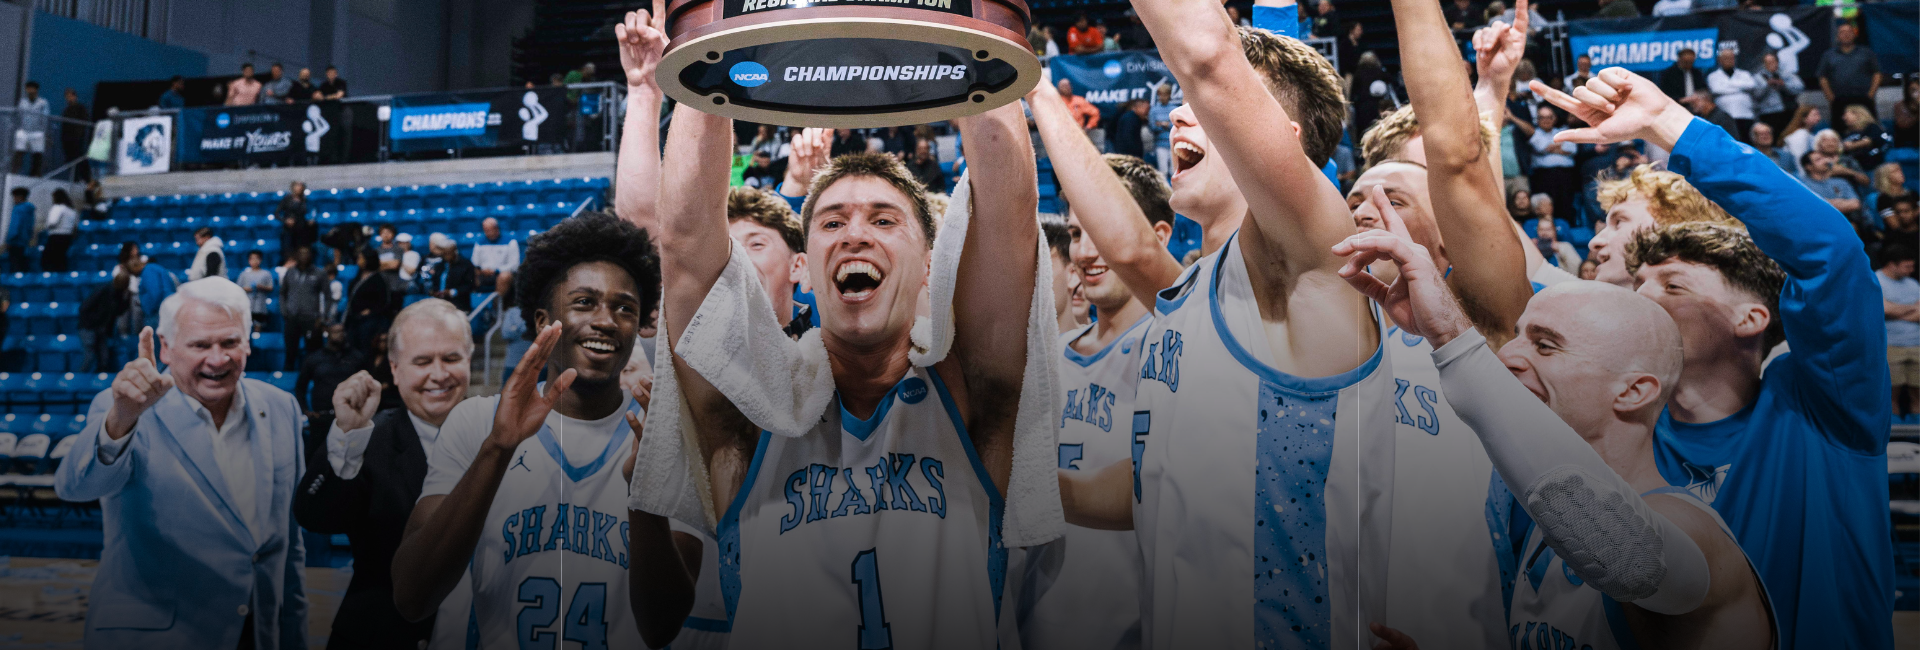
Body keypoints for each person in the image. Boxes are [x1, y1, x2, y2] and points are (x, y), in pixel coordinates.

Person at [627, 0, 1044, 636]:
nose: (855, 235)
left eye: (883, 220)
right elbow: (684, 246)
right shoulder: (746, 415)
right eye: (830, 222)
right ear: (807, 266)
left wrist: (979, 26)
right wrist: (705, 39)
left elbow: (1009, 213)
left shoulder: (970, 393)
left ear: (930, 266)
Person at [1057, 0, 1394, 641]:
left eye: (1206, 107)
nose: (1181, 110)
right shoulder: (1187, 290)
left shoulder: (1305, 262)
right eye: (1181, 100)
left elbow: (1209, 58)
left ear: (1275, 140)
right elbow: (1153, 485)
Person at [1533, 65, 1894, 649]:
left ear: (1750, 319)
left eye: (1673, 286)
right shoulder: (1618, 425)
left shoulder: (1825, 412)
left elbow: (1829, 252)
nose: (1643, 297)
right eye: (1640, 281)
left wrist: (1668, 124)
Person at [1340, 206, 1776, 650]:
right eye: (1517, 337)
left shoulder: (1690, 529)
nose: (1509, 357)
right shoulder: (1541, 528)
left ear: (1633, 391)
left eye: (1546, 346)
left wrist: (1451, 337)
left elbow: (1631, 559)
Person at [390, 210, 659, 648]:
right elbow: (412, 596)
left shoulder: (655, 434)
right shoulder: (476, 422)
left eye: (624, 307)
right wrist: (498, 448)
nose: (606, 320)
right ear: (541, 322)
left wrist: (647, 495)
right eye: (584, 302)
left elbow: (663, 626)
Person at [53, 279, 309, 649]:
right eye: (201, 345)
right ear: (167, 348)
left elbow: (289, 545)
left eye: (230, 342)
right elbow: (76, 488)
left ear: (248, 344)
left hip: (259, 635)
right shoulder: (125, 408)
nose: (218, 359)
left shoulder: (282, 407)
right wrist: (121, 419)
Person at [294, 300, 473, 649]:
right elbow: (314, 516)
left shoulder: (505, 438)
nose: (439, 374)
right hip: (381, 637)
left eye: (451, 358)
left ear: (470, 358)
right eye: (422, 362)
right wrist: (346, 435)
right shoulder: (367, 438)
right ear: (394, 369)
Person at [296, 322, 364, 437]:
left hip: (350, 416)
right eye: (336, 332)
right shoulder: (315, 358)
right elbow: (300, 387)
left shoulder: (356, 357)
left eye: (342, 331)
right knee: (317, 453)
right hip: (321, 417)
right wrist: (306, 411)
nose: (340, 334)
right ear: (328, 333)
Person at [1879, 244, 1920, 423]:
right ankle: (1894, 433)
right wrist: (1912, 308)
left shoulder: (1913, 283)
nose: (1911, 270)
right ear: (1892, 264)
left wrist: (1896, 310)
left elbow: (1891, 310)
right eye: (1907, 266)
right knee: (1891, 395)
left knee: (1917, 393)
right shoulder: (1875, 280)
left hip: (1916, 344)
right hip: (1890, 345)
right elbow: (1883, 309)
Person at [1817, 21, 1881, 120]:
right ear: (1837, 36)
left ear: (1854, 35)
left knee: (1869, 129)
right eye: (1842, 32)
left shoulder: (1866, 53)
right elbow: (1822, 77)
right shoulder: (1828, 55)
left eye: (1849, 31)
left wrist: (1871, 94)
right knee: (1840, 132)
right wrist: (1830, 97)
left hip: (1864, 99)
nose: (1846, 34)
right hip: (1839, 100)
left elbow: (1877, 74)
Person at [280, 245, 327, 372]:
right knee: (290, 351)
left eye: (307, 253)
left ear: (311, 256)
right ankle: (287, 378)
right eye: (301, 253)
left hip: (311, 319)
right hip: (292, 318)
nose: (304, 256)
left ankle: (313, 379)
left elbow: (328, 297)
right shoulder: (290, 272)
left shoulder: (320, 273)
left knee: (313, 352)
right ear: (296, 256)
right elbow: (282, 293)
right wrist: (285, 311)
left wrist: (323, 318)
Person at [78, 272, 133, 372]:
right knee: (90, 358)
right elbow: (84, 308)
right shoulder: (103, 289)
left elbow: (119, 311)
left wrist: (127, 298)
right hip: (89, 328)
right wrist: (95, 322)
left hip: (102, 329)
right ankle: (78, 382)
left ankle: (98, 385)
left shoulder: (119, 293)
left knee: (104, 360)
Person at [1529, 106, 1577, 217]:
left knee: (1566, 207)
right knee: (1546, 208)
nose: (1546, 120)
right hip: (1543, 177)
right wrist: (1559, 146)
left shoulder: (1564, 131)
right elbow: (1541, 148)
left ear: (1554, 119)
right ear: (1537, 119)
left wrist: (1548, 149)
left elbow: (1571, 150)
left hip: (1565, 176)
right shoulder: (1535, 134)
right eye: (1542, 117)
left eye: (1549, 117)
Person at [346, 247, 397, 349]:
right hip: (354, 318)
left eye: (361, 258)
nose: (358, 260)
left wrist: (370, 311)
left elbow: (385, 301)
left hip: (370, 321)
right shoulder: (357, 277)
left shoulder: (379, 279)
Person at [1705, 47, 1760, 140]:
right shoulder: (1713, 76)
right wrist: (1740, 88)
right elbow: (1716, 89)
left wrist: (1727, 85)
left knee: (1747, 141)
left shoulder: (1744, 74)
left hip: (1745, 115)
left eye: (1731, 58)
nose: (1729, 60)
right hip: (1725, 116)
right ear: (1719, 60)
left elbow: (1751, 84)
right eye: (1725, 58)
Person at [1798, 151, 1864, 222]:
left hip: (1846, 220)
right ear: (1809, 167)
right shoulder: (1803, 186)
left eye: (1824, 158)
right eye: (1818, 160)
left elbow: (1856, 204)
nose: (1825, 161)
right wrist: (1841, 202)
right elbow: (1812, 208)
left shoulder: (1841, 182)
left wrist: (1827, 203)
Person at [421, 234, 475, 313]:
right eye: (444, 253)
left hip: (458, 304)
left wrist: (451, 292)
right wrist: (434, 291)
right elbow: (435, 281)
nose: (445, 255)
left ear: (454, 251)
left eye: (447, 253)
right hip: (439, 303)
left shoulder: (466, 265)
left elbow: (470, 285)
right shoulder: (440, 265)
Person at [471, 217, 520, 302]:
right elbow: (475, 263)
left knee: (505, 277)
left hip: (501, 274)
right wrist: (481, 271)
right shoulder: (479, 242)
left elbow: (515, 265)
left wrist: (496, 271)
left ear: (496, 228)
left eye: (489, 230)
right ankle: (472, 308)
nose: (487, 233)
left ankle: (496, 307)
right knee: (469, 273)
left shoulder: (511, 242)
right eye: (485, 230)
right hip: (483, 274)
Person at [1754, 53, 1802, 138]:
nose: (1771, 64)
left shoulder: (1786, 74)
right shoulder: (1759, 77)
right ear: (1764, 64)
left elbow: (1800, 87)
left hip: (1788, 110)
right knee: (1773, 136)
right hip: (1769, 113)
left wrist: (1784, 84)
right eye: (1768, 62)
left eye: (1773, 62)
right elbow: (1756, 95)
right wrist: (1767, 85)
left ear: (1777, 62)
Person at [1839, 104, 1890, 171]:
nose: (1843, 118)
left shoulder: (1872, 127)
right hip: (1851, 166)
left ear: (1857, 114)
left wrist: (1852, 145)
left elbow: (1870, 140)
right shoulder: (1846, 133)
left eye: (1846, 115)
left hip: (1871, 165)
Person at [13, 81, 49, 176]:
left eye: (32, 88)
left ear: (36, 90)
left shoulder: (43, 103)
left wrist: (43, 132)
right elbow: (18, 116)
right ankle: (14, 173)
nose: (30, 90)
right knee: (19, 152)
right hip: (23, 130)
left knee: (37, 154)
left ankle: (35, 174)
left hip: (37, 132)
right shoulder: (22, 102)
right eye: (28, 88)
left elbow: (45, 118)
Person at [41, 189, 77, 272]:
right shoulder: (71, 210)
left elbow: (52, 222)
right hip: (68, 236)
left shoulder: (58, 207)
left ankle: (51, 280)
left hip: (56, 236)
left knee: (47, 260)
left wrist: (46, 225)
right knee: (60, 259)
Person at [59, 89, 91, 181]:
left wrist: (79, 135)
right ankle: (75, 179)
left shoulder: (81, 108)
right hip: (67, 140)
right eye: (67, 97)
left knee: (80, 159)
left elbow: (84, 121)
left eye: (70, 96)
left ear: (75, 96)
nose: (69, 98)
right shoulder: (66, 110)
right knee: (70, 159)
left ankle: (87, 179)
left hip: (78, 139)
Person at [238, 250, 274, 331]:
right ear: (248, 260)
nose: (254, 261)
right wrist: (247, 289)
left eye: (256, 258)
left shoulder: (266, 273)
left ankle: (257, 342)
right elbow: (238, 288)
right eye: (252, 259)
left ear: (260, 260)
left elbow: (271, 288)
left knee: (258, 328)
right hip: (247, 306)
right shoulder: (244, 274)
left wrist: (261, 287)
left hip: (260, 306)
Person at [7, 187, 36, 273]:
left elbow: (15, 226)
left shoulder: (18, 209)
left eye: (15, 197)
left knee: (15, 267)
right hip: (24, 242)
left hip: (15, 242)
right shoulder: (30, 210)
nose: (14, 199)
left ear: (20, 197)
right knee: (22, 266)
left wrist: (9, 240)